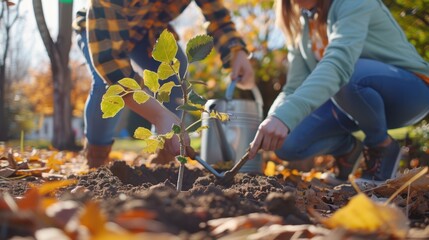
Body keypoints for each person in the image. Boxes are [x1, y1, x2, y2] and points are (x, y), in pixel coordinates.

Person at [248, 0, 429, 183]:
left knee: (345, 74)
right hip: (350, 100)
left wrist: (283, 116)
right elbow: (294, 86)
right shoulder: (302, 24)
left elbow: (339, 64)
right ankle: (347, 150)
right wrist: (276, 118)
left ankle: (381, 146)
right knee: (287, 143)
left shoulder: (353, 3)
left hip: (410, 91)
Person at [73, 0, 254, 168]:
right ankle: (96, 157)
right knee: (105, 86)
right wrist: (159, 115)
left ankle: (162, 161)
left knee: (176, 71)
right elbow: (110, 62)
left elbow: (217, 15)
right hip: (99, 29)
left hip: (145, 32)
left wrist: (236, 50)